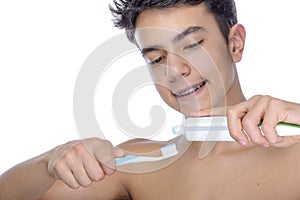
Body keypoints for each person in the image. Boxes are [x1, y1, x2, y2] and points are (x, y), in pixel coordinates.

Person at [1, 0, 300, 199]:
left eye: (193, 45)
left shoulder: (294, 153)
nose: (174, 71)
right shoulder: (135, 165)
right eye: (157, 58)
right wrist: (48, 162)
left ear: (235, 43)